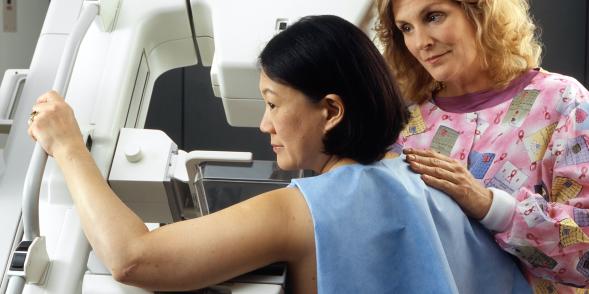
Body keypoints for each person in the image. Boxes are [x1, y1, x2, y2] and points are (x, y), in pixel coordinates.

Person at [27, 15, 530, 293]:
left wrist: (68, 146)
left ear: (331, 111)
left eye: (272, 104)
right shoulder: (434, 189)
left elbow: (133, 259)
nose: (264, 124)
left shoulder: (304, 208)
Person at [375, 0, 589, 292]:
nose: (421, 42)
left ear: (481, 12)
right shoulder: (403, 125)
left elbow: (585, 255)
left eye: (434, 16)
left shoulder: (565, 102)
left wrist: (491, 206)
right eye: (406, 28)